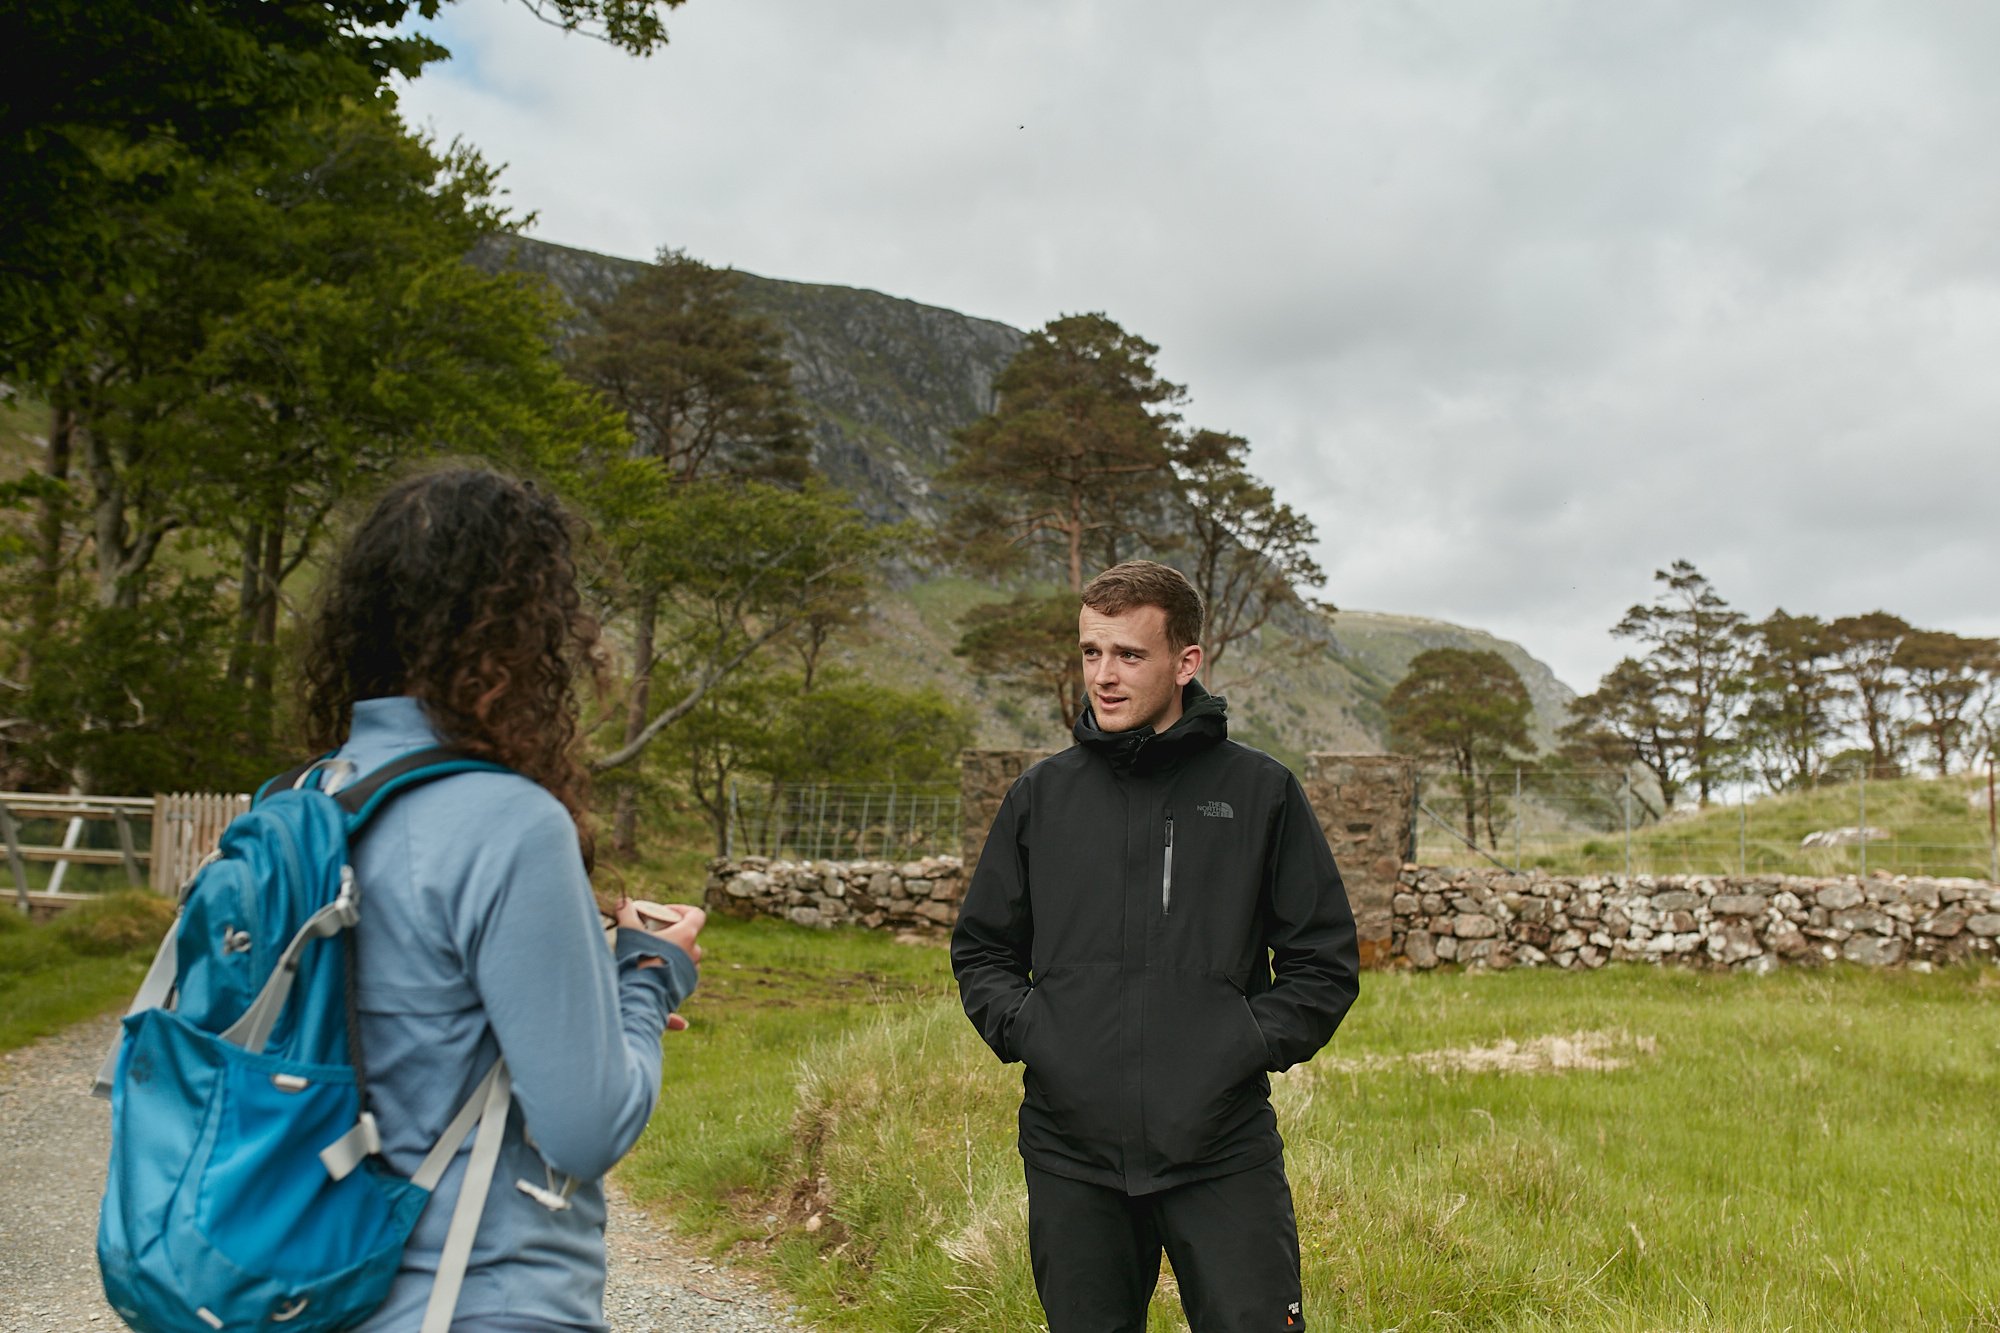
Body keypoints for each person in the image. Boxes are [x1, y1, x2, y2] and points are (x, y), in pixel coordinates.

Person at [298, 466, 705, 1332]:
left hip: (315, 1291)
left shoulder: (301, 802)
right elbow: (587, 1128)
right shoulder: (510, 822)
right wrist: (647, 974)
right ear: (524, 629)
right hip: (474, 1297)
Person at [951, 559, 1359, 1333]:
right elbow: (982, 950)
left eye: (1129, 655)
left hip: (1221, 1146)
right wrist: (1037, 1031)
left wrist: (1239, 1042)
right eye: (1091, 652)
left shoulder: (1260, 793)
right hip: (1071, 1149)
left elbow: (1323, 962)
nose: (1103, 676)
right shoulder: (1042, 797)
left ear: (1186, 661)